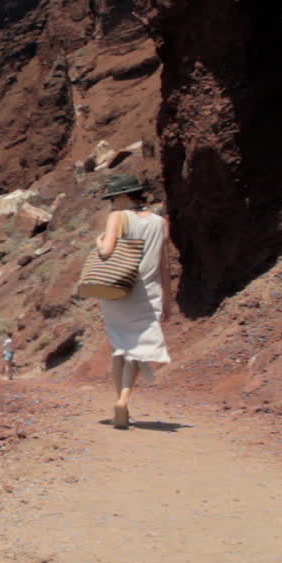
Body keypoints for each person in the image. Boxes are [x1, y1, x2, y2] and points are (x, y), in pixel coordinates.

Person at [96, 174, 172, 429]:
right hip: (148, 294)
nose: (112, 203)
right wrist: (168, 300)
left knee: (120, 345)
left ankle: (120, 402)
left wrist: (98, 241)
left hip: (118, 292)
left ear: (123, 196)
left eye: (113, 198)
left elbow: (106, 251)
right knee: (136, 349)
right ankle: (124, 400)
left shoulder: (117, 217)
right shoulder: (160, 222)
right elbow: (164, 265)